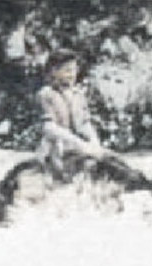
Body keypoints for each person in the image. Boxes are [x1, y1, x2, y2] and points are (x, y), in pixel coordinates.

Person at [36, 49, 109, 178]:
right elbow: (49, 127)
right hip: (57, 151)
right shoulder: (46, 94)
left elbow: (85, 122)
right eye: (67, 70)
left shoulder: (78, 94)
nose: (72, 75)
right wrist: (80, 144)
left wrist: (94, 143)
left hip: (79, 149)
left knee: (110, 161)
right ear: (54, 71)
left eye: (74, 70)